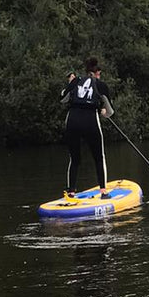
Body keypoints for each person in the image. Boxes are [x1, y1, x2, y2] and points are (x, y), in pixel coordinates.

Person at [60, 56, 113, 198]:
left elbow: (63, 98)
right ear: (97, 73)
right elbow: (110, 112)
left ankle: (71, 191)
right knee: (99, 157)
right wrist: (103, 112)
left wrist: (70, 85)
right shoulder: (101, 85)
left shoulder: (76, 81)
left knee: (74, 158)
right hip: (90, 121)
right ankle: (103, 191)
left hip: (72, 121)